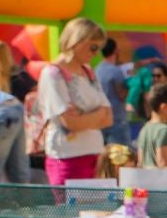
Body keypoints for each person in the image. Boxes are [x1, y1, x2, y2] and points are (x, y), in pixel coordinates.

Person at [36, 17, 114, 186]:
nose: (95, 53)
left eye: (99, 48)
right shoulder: (52, 74)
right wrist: (97, 114)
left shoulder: (88, 72)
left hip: (95, 154)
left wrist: (85, 117)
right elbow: (71, 123)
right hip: (66, 157)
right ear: (76, 40)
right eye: (93, 47)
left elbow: (108, 117)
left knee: (97, 211)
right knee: (69, 212)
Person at [136, 84, 167, 168]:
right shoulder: (164, 130)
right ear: (164, 107)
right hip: (165, 180)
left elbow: (140, 162)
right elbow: (162, 163)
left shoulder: (144, 129)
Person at [94, 39, 131, 146]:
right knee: (120, 155)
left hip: (100, 120)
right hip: (116, 120)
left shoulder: (97, 69)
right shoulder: (115, 71)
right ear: (116, 50)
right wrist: (132, 84)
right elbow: (122, 95)